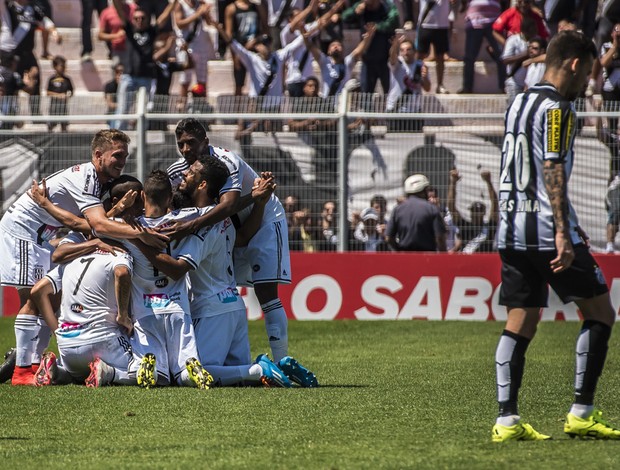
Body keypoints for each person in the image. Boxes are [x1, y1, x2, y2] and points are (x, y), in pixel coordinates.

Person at [492, 29, 620, 442]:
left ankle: (507, 420)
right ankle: (581, 411)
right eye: (586, 77)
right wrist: (564, 233)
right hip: (549, 231)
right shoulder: (558, 109)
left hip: (511, 228)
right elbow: (553, 169)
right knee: (601, 313)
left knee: (521, 320)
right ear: (575, 64)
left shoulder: (517, 103)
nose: (585, 86)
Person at [0, 129, 167, 385]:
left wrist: (115, 212)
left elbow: (84, 223)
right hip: (24, 230)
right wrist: (141, 234)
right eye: (117, 155)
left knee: (47, 298)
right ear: (98, 155)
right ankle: (22, 370)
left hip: (42, 234)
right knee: (34, 297)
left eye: (125, 156)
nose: (122, 161)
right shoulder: (87, 178)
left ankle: (33, 362)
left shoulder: (95, 182)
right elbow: (97, 226)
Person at [167, 119, 296, 365]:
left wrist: (189, 226)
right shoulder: (178, 171)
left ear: (205, 141)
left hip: (264, 216)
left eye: (191, 143)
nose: (185, 149)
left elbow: (226, 206)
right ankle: (227, 352)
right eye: (180, 144)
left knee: (266, 291)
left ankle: (282, 361)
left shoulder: (227, 161)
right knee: (223, 287)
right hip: (226, 226)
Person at [175, 157, 313, 386]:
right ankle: (258, 370)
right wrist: (258, 203)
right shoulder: (224, 219)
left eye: (191, 173)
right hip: (235, 307)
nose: (184, 175)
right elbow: (242, 239)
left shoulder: (198, 221)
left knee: (190, 375)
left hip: (211, 308)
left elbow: (180, 267)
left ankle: (260, 369)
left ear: (202, 185)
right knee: (235, 376)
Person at [111, 0, 178, 130]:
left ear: (147, 19)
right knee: (122, 110)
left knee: (144, 111)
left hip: (146, 78)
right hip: (128, 76)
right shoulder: (129, 29)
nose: (139, 20)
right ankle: (117, 139)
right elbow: (119, 10)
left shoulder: (151, 31)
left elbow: (164, 17)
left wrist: (174, 3)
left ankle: (143, 140)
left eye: (142, 18)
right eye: (136, 18)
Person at [341, 0, 400, 94]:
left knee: (390, 93)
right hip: (368, 60)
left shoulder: (387, 6)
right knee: (365, 95)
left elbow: (393, 21)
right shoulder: (361, 5)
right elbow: (345, 17)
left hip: (385, 60)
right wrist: (355, 12)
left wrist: (376, 27)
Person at [386, 174, 447, 251]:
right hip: (427, 258)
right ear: (424, 190)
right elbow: (440, 238)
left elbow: (388, 238)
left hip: (405, 257)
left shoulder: (397, 210)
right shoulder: (432, 209)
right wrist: (443, 256)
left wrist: (399, 250)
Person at [458, 0, 505, 94]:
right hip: (474, 22)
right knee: (469, 57)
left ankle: (504, 86)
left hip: (494, 23)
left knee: (502, 55)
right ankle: (467, 87)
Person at [447, 169, 498, 253]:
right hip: (467, 262)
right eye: (473, 211)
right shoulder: (465, 226)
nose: (475, 214)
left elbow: (495, 205)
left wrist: (489, 182)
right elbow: (451, 207)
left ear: (483, 212)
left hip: (484, 261)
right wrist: (453, 182)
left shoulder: (490, 227)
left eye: (478, 211)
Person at [386, 35, 430, 132]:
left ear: (414, 52)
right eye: (402, 50)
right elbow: (392, 58)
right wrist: (394, 46)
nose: (405, 53)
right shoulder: (398, 64)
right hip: (396, 111)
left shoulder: (420, 66)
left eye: (408, 50)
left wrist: (425, 77)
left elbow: (427, 88)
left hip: (414, 113)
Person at [173, 0, 214, 99]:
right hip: (186, 46)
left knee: (202, 81)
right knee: (185, 80)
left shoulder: (200, 4)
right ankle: (182, 106)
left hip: (201, 46)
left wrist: (206, 12)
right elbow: (179, 23)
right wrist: (197, 14)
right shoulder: (180, 4)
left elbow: (209, 23)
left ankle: (200, 105)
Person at [415, 0, 452, 94]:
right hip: (425, 23)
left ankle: (440, 85)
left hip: (442, 24)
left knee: (440, 56)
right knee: (420, 55)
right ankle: (415, 82)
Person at [600, 22, 620, 134]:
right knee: (611, 120)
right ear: (612, 33)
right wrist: (615, 46)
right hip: (610, 88)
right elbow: (604, 62)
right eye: (616, 32)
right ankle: (613, 145)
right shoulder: (606, 46)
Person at [427, 186, 460, 252]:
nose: (432, 200)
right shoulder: (424, 217)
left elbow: (458, 238)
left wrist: (452, 251)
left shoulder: (447, 213)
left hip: (450, 253)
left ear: (438, 198)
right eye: (429, 198)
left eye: (434, 197)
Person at [46, 55, 73, 133]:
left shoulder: (67, 79)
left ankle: (64, 140)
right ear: (55, 66)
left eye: (64, 66)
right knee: (51, 124)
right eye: (61, 66)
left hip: (63, 106)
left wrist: (67, 96)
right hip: (54, 106)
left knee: (64, 124)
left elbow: (71, 91)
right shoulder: (52, 79)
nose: (63, 68)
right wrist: (58, 96)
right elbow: (48, 92)